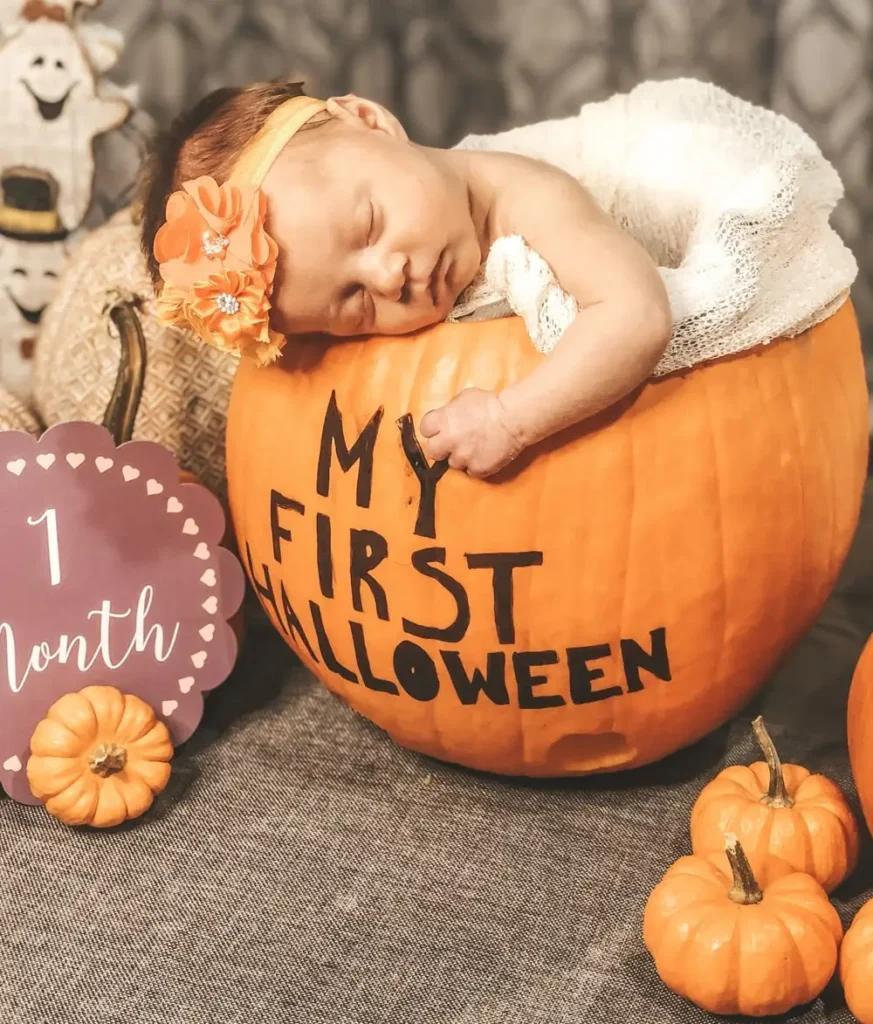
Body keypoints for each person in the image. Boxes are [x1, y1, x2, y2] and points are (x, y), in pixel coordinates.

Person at [140, 80, 672, 478]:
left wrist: (510, 421)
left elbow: (636, 314)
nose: (387, 277)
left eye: (370, 224)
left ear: (371, 121)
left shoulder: (534, 198)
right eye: (354, 302)